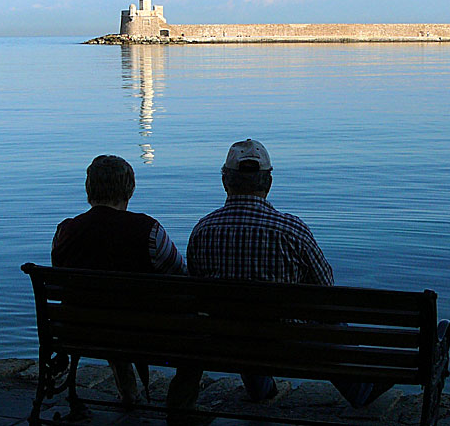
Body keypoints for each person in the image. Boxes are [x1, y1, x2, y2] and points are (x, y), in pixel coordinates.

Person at [166, 139, 390, 413]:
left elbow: (198, 292)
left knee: (241, 315)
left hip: (225, 340)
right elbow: (326, 288)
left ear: (225, 182)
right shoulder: (291, 230)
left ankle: (260, 387)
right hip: (287, 343)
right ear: (268, 183)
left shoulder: (203, 230)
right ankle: (360, 389)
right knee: (328, 319)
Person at [52, 155, 187, 403]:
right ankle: (180, 404)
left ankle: (127, 390)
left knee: (106, 311)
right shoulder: (149, 230)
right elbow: (181, 277)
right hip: (143, 332)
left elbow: (62, 282)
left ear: (89, 189)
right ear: (130, 189)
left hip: (80, 330)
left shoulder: (65, 231)